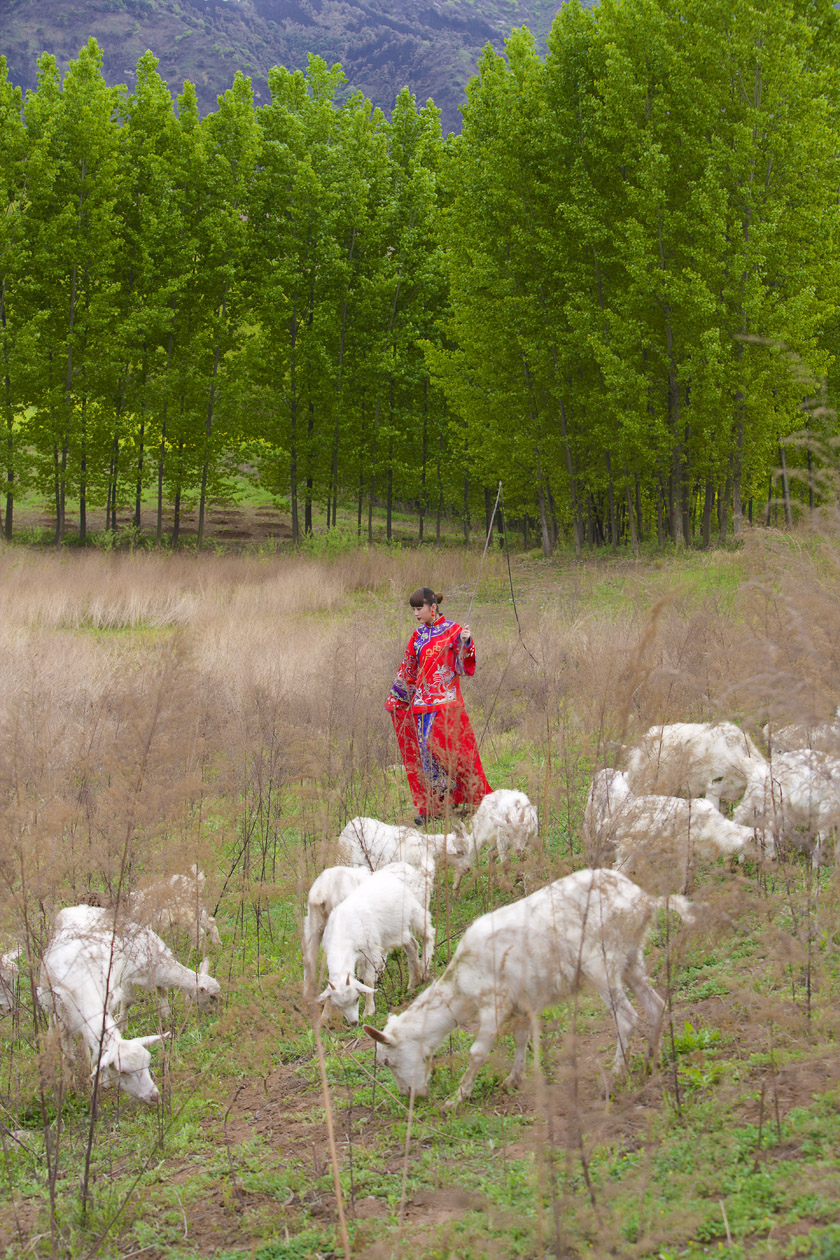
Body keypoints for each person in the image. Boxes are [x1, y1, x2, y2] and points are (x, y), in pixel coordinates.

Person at [386, 587, 491, 825]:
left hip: (447, 703)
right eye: (413, 609)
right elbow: (409, 668)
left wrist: (466, 642)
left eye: (419, 608)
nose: (415, 614)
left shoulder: (453, 631)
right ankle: (435, 806)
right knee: (427, 756)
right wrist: (398, 696)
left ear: (433, 607)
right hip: (422, 706)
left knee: (457, 754)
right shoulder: (417, 636)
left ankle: (480, 799)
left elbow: (463, 666)